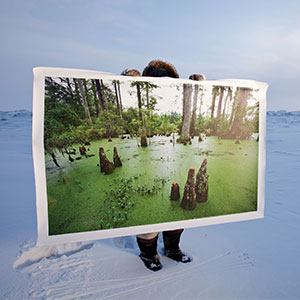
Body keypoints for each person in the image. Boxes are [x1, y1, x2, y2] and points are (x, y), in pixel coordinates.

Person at [121, 60, 192, 271]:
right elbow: (127, 98)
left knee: (175, 214)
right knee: (147, 217)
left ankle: (172, 249)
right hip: (144, 163)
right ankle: (148, 254)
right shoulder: (139, 98)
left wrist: (200, 83)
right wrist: (126, 80)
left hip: (175, 161)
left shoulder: (179, 100)